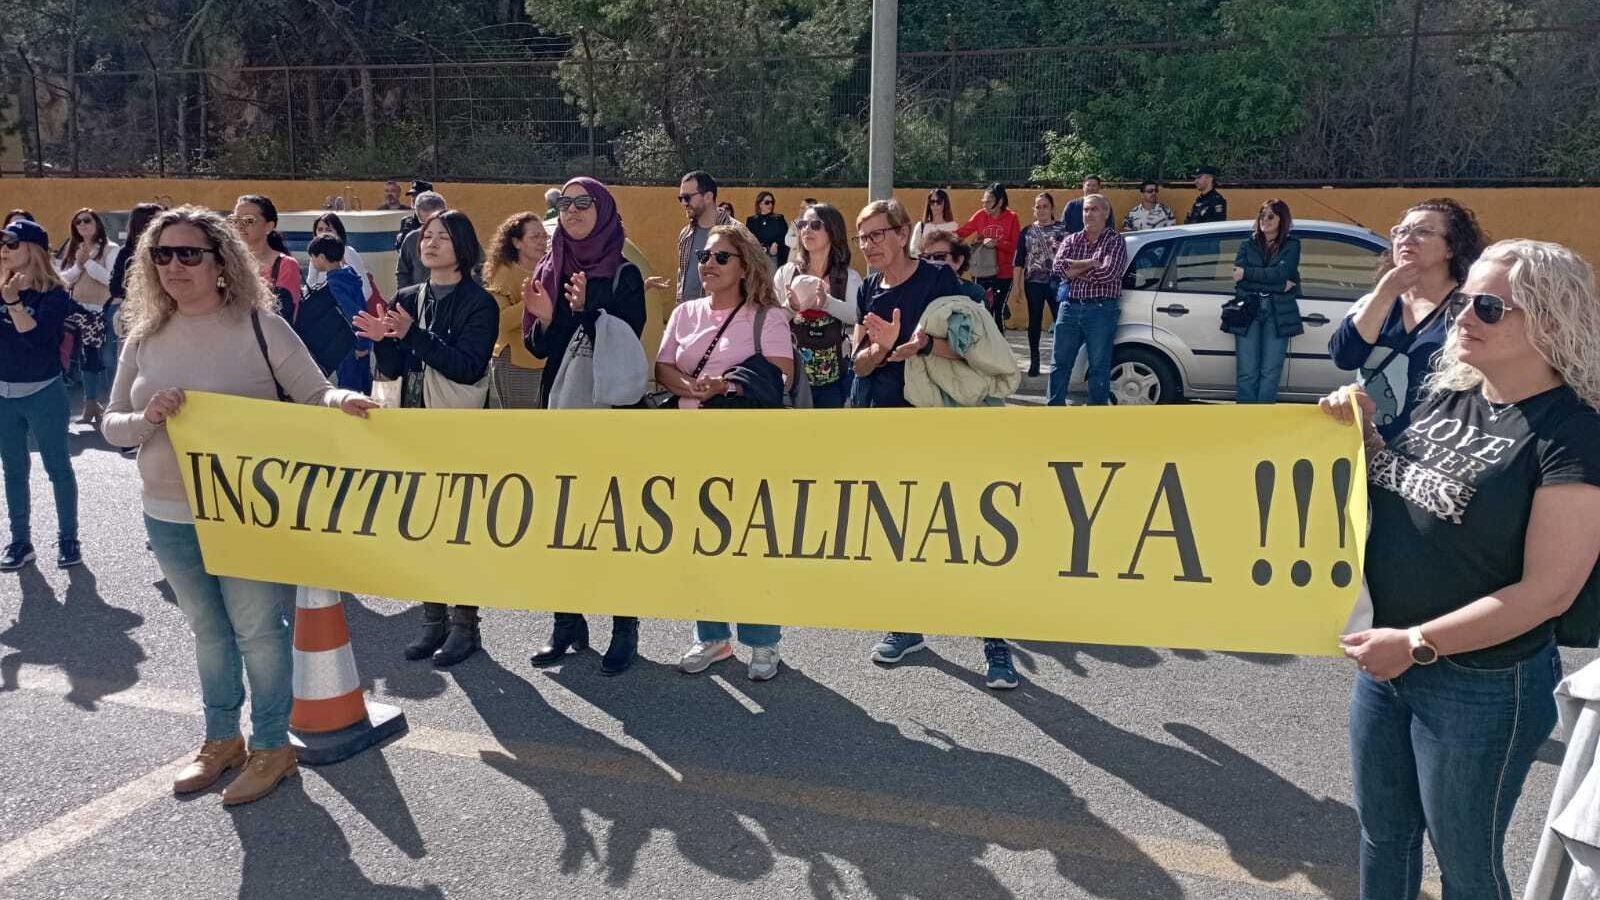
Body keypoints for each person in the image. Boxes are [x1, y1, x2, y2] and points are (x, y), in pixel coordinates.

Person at [1323, 239, 1600, 898]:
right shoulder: (1448, 392)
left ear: (1552, 323)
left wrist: (1417, 644)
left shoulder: (1574, 435)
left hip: (1480, 684)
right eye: (1462, 302)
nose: (1463, 317)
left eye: (1487, 307)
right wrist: (1360, 437)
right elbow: (1396, 487)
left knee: (1466, 867)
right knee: (1382, 839)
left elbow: (1547, 592)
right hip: (1385, 663)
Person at [101, 206, 377, 805]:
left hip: (246, 512)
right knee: (208, 631)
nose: (174, 266)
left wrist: (344, 400)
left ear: (221, 261)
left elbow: (314, 392)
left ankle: (273, 745)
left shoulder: (260, 326)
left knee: (257, 630)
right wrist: (146, 418)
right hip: (168, 514)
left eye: (189, 254)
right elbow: (111, 424)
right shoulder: (143, 337)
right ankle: (221, 738)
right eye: (162, 255)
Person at [356, 210, 497, 668]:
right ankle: (432, 621)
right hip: (412, 427)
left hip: (457, 431)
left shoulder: (481, 303)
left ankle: (465, 624)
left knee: (459, 529)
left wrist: (412, 334)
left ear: (463, 246)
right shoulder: (406, 296)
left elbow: (468, 366)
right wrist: (383, 340)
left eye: (441, 236)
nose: (429, 243)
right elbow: (394, 369)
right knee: (422, 527)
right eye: (426, 236)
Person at [520, 177, 649, 677]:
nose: (571, 211)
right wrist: (550, 318)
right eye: (563, 204)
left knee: (612, 524)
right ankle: (567, 623)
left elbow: (628, 342)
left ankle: (624, 627)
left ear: (604, 210)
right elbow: (539, 348)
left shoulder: (623, 273)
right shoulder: (551, 265)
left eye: (582, 203)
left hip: (610, 419)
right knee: (561, 523)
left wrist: (586, 312)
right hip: (559, 410)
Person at [655, 224, 794, 680]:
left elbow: (781, 374)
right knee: (701, 541)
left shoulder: (765, 316)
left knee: (751, 541)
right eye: (704, 258)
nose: (708, 265)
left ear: (744, 266)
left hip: (745, 444)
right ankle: (712, 637)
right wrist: (689, 386)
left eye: (720, 258)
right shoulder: (685, 312)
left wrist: (727, 385)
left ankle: (762, 641)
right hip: (689, 442)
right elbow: (664, 366)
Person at [1330, 198, 1487, 443]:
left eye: (1423, 231)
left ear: (1451, 248)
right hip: (1369, 446)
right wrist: (1385, 294)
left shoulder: (1469, 310)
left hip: (1438, 451)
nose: (1407, 238)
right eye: (1401, 231)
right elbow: (1345, 357)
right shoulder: (1374, 301)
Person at [0, 219, 78, 571]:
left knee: (58, 468)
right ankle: (20, 541)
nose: (4, 250)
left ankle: (68, 538)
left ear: (32, 249)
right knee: (13, 470)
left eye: (11, 244)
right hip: (4, 394)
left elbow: (38, 341)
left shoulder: (55, 293)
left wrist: (13, 302)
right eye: (2, 244)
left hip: (44, 391)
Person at [773, 202, 860, 409]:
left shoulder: (848, 277)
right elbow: (770, 322)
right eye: (802, 224)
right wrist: (791, 307)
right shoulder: (786, 273)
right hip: (791, 378)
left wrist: (828, 303)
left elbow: (857, 316)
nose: (806, 230)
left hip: (834, 380)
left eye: (815, 225)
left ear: (833, 230)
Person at [1047, 194, 1128, 406]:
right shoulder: (1072, 240)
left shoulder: (1115, 240)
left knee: (1099, 366)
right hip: (1070, 307)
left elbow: (1108, 274)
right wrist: (1091, 263)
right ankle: (1052, 410)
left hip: (1101, 309)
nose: (1088, 214)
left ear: (1105, 213)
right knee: (1059, 364)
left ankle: (1095, 416)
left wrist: (1074, 271)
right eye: (1086, 210)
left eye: (1094, 209)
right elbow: (1058, 269)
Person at [1227, 200, 1303, 404]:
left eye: (1270, 216)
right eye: (1262, 215)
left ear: (1281, 219)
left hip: (1277, 312)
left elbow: (1282, 272)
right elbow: (1239, 280)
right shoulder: (1247, 244)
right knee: (1247, 371)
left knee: (1270, 372)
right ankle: (1245, 420)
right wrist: (1279, 286)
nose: (1265, 220)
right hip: (1249, 309)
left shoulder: (1292, 245)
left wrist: (1250, 275)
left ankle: (1264, 420)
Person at [105, 202, 166, 447]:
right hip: (140, 317)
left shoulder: (156, 250)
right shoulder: (131, 252)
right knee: (134, 369)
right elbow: (114, 286)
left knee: (140, 370)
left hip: (149, 316)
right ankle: (135, 423)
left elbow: (113, 286)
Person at [56, 208, 120, 424]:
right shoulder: (74, 248)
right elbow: (64, 278)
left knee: (108, 359)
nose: (82, 225)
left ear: (97, 223)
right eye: (77, 222)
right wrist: (78, 263)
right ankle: (90, 404)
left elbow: (111, 279)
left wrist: (89, 263)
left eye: (87, 220)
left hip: (103, 312)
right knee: (86, 360)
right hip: (77, 312)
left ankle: (115, 405)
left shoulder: (111, 249)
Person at [482, 211, 549, 410]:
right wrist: (532, 302)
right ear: (517, 242)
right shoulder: (505, 273)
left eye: (544, 236)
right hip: (516, 362)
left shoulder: (547, 270)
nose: (542, 241)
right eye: (534, 236)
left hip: (544, 361)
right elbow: (499, 323)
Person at [305, 235, 372, 393]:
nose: (312, 262)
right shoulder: (349, 276)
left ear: (321, 257)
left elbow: (351, 312)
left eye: (313, 258)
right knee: (364, 382)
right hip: (363, 337)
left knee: (349, 387)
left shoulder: (335, 284)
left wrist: (360, 343)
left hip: (349, 342)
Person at [1014, 192, 1067, 376]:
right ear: (1034, 210)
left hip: (1057, 282)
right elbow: (1019, 260)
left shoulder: (1063, 229)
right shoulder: (1027, 231)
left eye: (1045, 206)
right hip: (1033, 282)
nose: (1042, 210)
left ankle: (1060, 361)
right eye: (1038, 206)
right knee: (1034, 321)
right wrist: (1017, 286)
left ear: (1052, 209)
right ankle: (1034, 361)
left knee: (1061, 322)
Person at [956, 183, 1021, 330]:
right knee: (982, 308)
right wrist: (941, 236)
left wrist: (997, 243)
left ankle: (1000, 346)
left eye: (989, 201)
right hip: (982, 270)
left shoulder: (1011, 218)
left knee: (997, 310)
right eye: (983, 201)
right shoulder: (980, 215)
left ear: (1000, 202)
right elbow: (962, 232)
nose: (985, 204)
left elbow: (1016, 247)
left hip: (1003, 272)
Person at [230, 195, 301, 312]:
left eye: (248, 220)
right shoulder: (225, 262)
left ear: (269, 226)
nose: (239, 225)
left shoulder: (286, 265)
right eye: (235, 219)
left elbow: (283, 314)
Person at [675, 170, 732, 305]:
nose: (684, 203)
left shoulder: (735, 233)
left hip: (720, 316)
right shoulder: (685, 234)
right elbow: (682, 277)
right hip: (687, 314)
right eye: (681, 198)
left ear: (708, 197)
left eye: (687, 197)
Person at [305, 213, 374, 305]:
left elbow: (366, 289)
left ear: (338, 232)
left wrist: (350, 309)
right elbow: (310, 284)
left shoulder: (347, 252)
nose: (323, 233)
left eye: (328, 230)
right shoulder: (315, 257)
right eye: (320, 230)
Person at [395, 191, 448, 292]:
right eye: (426, 223)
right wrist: (406, 297)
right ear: (419, 218)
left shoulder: (460, 235)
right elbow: (402, 273)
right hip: (419, 299)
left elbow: (478, 266)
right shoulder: (411, 239)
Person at [745, 191, 791, 270]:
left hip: (774, 256)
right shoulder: (751, 220)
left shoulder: (779, 219)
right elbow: (748, 238)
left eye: (772, 202)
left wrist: (777, 243)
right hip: (758, 256)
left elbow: (785, 235)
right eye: (767, 202)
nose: (770, 205)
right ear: (760, 204)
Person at [909, 188, 960, 257]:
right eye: (932, 202)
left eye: (939, 202)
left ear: (945, 203)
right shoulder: (921, 226)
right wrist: (925, 256)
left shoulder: (953, 226)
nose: (935, 205)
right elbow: (913, 250)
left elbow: (956, 251)